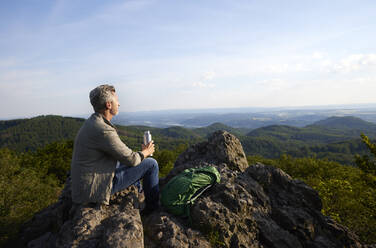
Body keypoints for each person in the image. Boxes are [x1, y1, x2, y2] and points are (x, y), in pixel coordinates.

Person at [70, 84, 159, 213]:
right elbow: (132, 159)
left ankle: (136, 187)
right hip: (94, 190)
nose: (119, 104)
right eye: (117, 101)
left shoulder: (92, 122)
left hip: (84, 186)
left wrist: (140, 154)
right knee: (151, 164)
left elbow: (121, 154)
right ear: (108, 105)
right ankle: (153, 210)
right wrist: (146, 152)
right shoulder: (103, 130)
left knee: (123, 161)